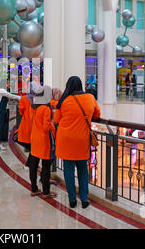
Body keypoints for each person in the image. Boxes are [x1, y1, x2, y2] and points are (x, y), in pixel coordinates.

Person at [54, 76, 101, 209]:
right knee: (83, 170)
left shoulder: (64, 101)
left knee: (68, 171)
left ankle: (72, 200)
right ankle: (84, 199)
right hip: (82, 140)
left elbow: (56, 120)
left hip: (66, 140)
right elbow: (97, 114)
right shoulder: (90, 98)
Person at [28, 85, 57, 199]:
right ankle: (46, 192)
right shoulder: (45, 109)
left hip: (34, 139)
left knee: (33, 165)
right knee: (45, 167)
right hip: (44, 140)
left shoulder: (34, 108)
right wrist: (53, 123)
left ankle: (34, 189)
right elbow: (46, 127)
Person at [0, 80, 21, 151]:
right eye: (7, 83)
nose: (9, 84)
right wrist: (20, 97)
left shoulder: (5, 91)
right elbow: (11, 96)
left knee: (0, 128)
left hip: (2, 111)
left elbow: (6, 101)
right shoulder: (2, 90)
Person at [16, 81, 40, 164]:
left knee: (29, 145)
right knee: (34, 145)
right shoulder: (40, 99)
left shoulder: (24, 98)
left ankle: (30, 164)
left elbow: (21, 111)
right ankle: (30, 163)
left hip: (26, 124)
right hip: (36, 124)